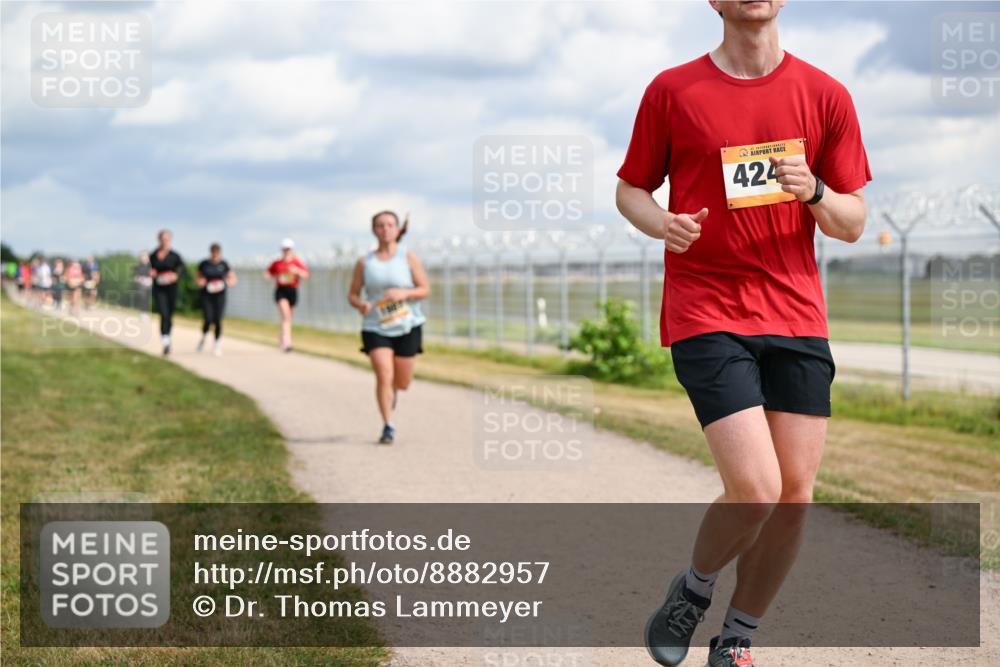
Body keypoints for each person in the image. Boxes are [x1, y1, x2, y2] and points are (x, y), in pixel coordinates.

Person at [615, 2, 871, 666]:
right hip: (707, 309)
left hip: (795, 315)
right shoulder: (673, 90)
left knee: (795, 493)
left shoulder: (826, 94)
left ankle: (738, 638)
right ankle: (694, 589)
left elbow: (852, 221)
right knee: (757, 485)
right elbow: (630, 189)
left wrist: (814, 188)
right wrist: (659, 223)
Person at [348, 211, 429, 445]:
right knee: (383, 374)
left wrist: (404, 293)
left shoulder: (408, 257)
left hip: (408, 324)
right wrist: (359, 304)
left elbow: (425, 289)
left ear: (397, 229)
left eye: (390, 225)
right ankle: (388, 425)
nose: (385, 229)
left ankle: (393, 391)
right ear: (374, 230)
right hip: (375, 325)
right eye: (380, 225)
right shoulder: (365, 262)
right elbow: (352, 294)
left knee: (402, 382)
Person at [265, 239, 309, 352]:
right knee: (285, 316)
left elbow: (306, 274)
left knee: (288, 318)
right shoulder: (277, 263)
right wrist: (275, 275)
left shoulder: (296, 262)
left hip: (292, 290)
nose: (286, 251)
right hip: (281, 291)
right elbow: (267, 274)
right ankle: (287, 342)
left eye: (288, 249)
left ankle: (282, 337)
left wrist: (296, 271)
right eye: (284, 249)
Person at [195, 243, 237, 356]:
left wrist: (229, 282)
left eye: (217, 252)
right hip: (207, 295)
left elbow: (232, 277)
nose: (215, 255)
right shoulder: (204, 264)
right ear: (211, 252)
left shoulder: (224, 264)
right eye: (213, 252)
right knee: (208, 318)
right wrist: (200, 281)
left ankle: (216, 344)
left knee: (218, 319)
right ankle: (203, 338)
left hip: (220, 295)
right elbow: (198, 276)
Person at [149, 230, 185, 356]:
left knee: (169, 315)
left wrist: (176, 275)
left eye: (167, 239)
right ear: (159, 239)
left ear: (170, 240)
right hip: (159, 289)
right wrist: (151, 273)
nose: (164, 241)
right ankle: (165, 343)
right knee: (163, 314)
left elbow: (182, 269)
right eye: (162, 239)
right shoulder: (153, 255)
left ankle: (167, 337)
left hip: (171, 288)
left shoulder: (175, 256)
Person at [133, 252, 153, 319]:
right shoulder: (138, 267)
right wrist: (139, 279)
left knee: (147, 299)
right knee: (143, 299)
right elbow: (135, 278)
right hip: (141, 286)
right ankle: (142, 313)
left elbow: (153, 275)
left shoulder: (151, 267)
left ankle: (146, 313)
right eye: (142, 257)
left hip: (149, 286)